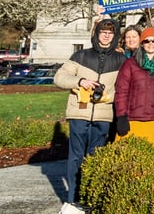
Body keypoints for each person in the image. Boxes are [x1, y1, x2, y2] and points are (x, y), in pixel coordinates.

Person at [54, 18, 126, 204]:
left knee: (96, 156)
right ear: (96, 34)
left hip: (103, 114)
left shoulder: (121, 60)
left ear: (115, 35)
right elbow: (59, 78)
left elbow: (125, 86)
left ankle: (91, 197)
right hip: (79, 112)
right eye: (103, 32)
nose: (106, 35)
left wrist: (110, 98)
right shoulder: (81, 56)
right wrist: (80, 82)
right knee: (75, 156)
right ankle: (73, 198)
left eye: (110, 32)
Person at [114, 25, 154, 146]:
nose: (150, 44)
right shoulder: (130, 63)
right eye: (146, 41)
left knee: (149, 157)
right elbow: (121, 91)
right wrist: (122, 115)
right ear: (142, 43)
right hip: (132, 117)